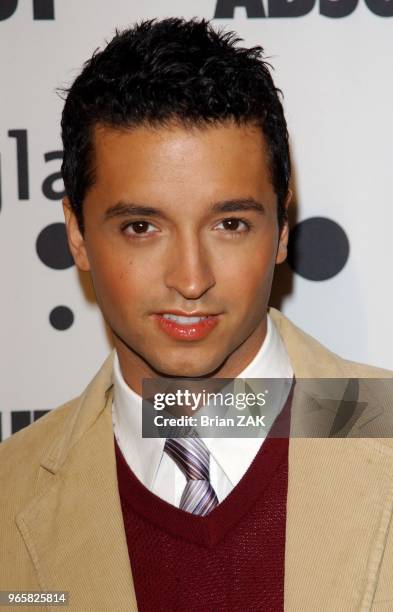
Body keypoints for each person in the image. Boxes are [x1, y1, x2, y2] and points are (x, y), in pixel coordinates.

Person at [1, 17, 392, 612]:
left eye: (230, 224)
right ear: (76, 234)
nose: (191, 279)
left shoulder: (383, 432)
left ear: (282, 228)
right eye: (141, 227)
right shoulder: (11, 492)